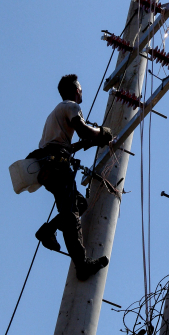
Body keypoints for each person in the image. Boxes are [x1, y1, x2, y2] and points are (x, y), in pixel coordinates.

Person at [29, 74, 113, 281]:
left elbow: (66, 145)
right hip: (58, 167)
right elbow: (84, 131)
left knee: (79, 204)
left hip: (48, 165)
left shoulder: (55, 113)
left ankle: (48, 230)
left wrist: (92, 140)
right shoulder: (71, 107)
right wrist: (101, 132)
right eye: (81, 88)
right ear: (76, 89)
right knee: (71, 215)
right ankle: (82, 265)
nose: (82, 91)